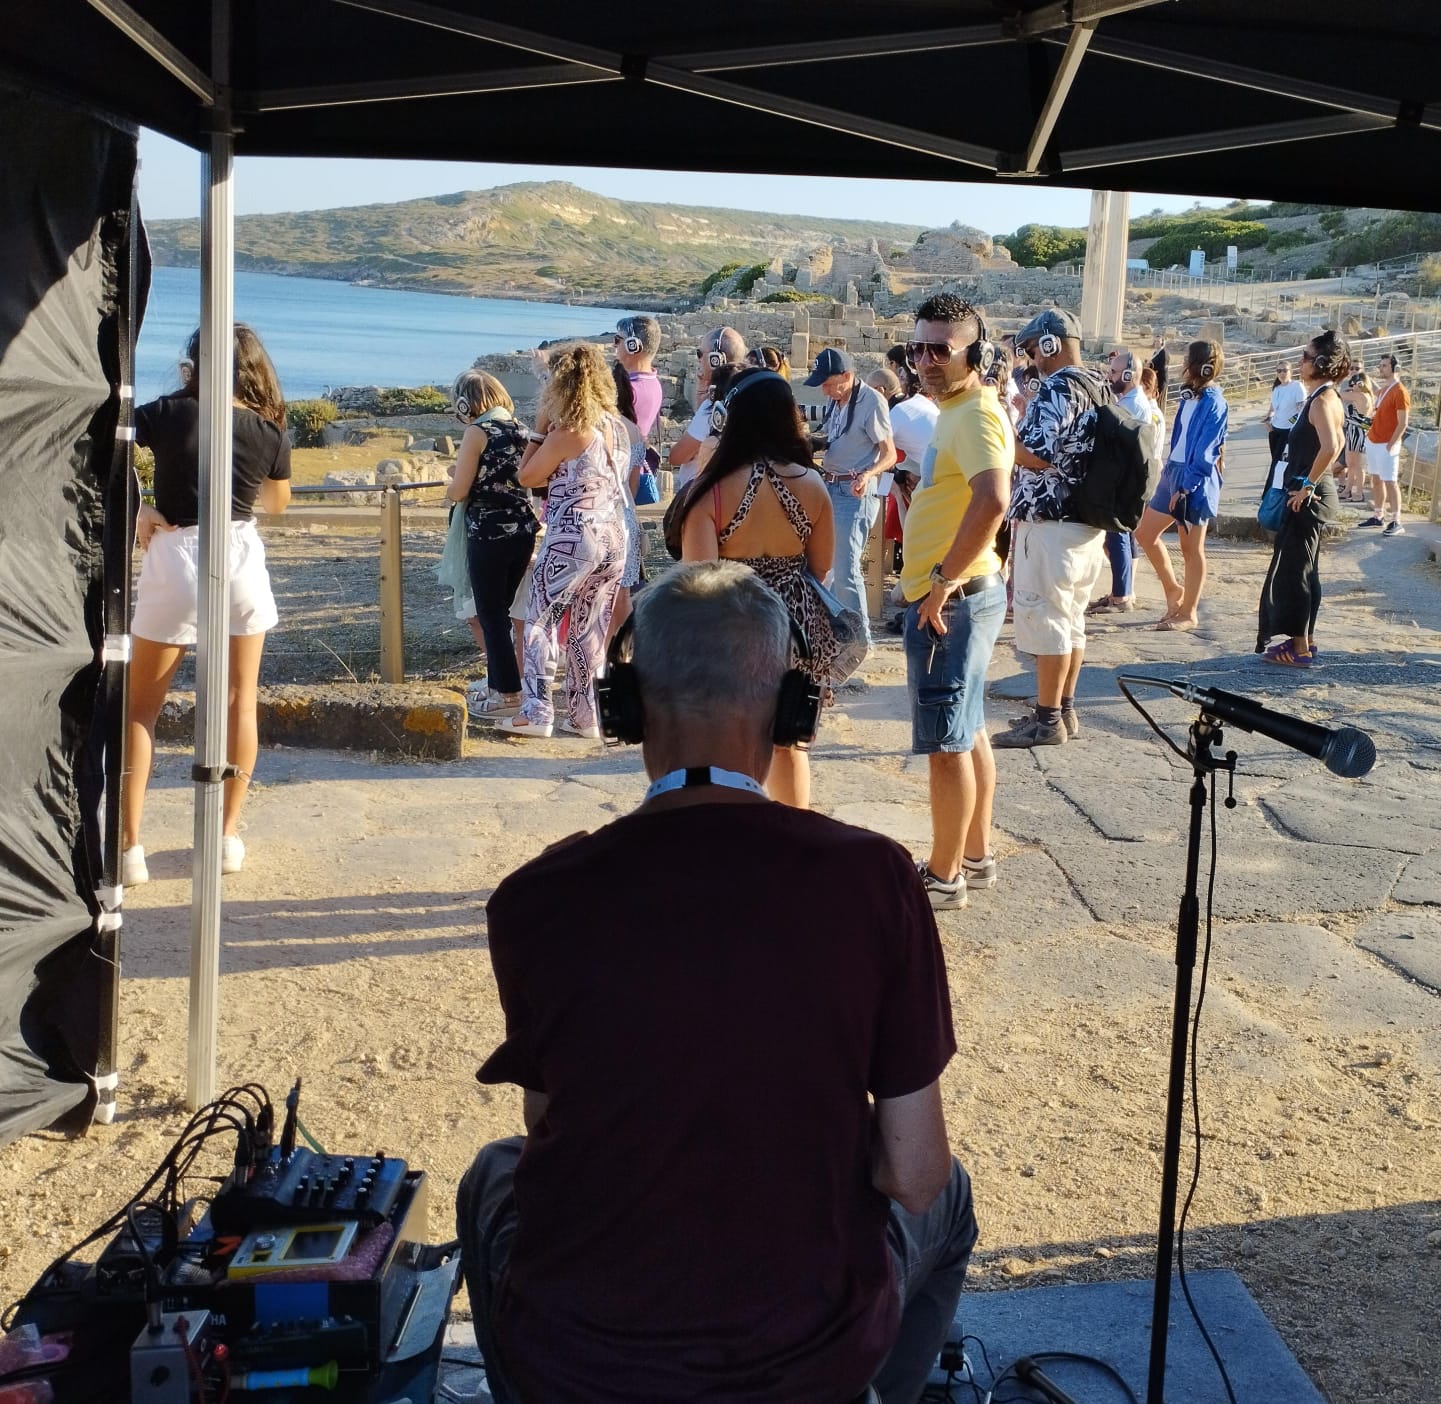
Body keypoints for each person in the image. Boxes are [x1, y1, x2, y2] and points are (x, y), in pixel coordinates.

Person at [458, 561, 976, 1404]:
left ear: (625, 708)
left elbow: (547, 1120)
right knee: (948, 1197)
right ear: (791, 709)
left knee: (491, 1173)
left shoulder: (536, 896)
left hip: (582, 1360)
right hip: (807, 1353)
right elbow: (912, 1174)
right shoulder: (872, 877)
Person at [122, 324, 292, 883]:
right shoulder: (267, 429)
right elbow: (277, 503)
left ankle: (129, 847)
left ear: (196, 361)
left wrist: (140, 505)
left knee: (141, 709)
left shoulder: (166, 412)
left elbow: (100, 441)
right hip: (238, 555)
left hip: (176, 552)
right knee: (240, 703)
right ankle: (224, 838)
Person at [680, 367, 836, 809]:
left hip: (733, 624)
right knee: (790, 743)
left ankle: (741, 834)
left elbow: (700, 577)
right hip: (796, 626)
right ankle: (792, 832)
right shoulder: (812, 483)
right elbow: (821, 567)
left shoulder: (712, 491)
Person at [899, 295, 1011, 909]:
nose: (924, 360)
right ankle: (974, 855)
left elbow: (993, 499)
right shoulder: (958, 409)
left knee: (946, 745)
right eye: (917, 348)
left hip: (953, 599)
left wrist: (942, 580)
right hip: (964, 594)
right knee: (968, 731)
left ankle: (943, 878)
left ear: (976, 353)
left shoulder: (973, 415)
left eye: (940, 349)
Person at [991, 308, 1109, 749]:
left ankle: (1047, 721)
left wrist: (1001, 437)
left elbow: (1038, 454)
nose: (1031, 360)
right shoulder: (1097, 384)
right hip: (1084, 523)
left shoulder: (1059, 386)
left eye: (1031, 349)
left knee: (1047, 619)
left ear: (1050, 344)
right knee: (1071, 619)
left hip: (1051, 522)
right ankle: (1063, 710)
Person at [498, 342, 628, 739]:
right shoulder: (615, 427)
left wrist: (539, 430)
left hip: (573, 536)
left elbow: (526, 476)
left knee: (540, 621)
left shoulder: (568, 434)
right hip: (614, 535)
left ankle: (537, 712)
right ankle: (586, 715)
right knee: (590, 627)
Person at [445, 370, 538, 720]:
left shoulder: (477, 432)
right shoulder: (520, 429)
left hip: (489, 532)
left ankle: (508, 694)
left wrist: (452, 480)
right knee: (502, 611)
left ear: (464, 403)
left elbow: (460, 490)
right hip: (523, 529)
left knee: (491, 615)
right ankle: (502, 684)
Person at [1257, 330, 1349, 666]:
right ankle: (1305, 641)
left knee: (1296, 572)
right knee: (1306, 570)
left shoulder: (1322, 401)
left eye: (1306, 357)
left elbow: (1332, 446)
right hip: (1310, 494)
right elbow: (1337, 447)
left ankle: (1298, 648)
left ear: (1321, 363)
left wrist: (1309, 484)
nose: (1300, 362)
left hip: (1305, 498)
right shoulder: (1327, 397)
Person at [1132, 340, 1228, 632]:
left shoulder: (1214, 402)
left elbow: (1206, 450)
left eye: (1188, 359)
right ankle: (1174, 591)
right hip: (1174, 470)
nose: (1183, 364)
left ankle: (1189, 612)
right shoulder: (1189, 397)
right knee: (1145, 533)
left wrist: (1185, 486)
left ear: (1201, 366)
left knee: (1191, 548)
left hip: (1193, 479)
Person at [806, 346, 896, 653]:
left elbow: (890, 455)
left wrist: (868, 475)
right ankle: (838, 636)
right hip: (830, 486)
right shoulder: (838, 399)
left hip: (853, 492)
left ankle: (860, 643)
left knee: (845, 570)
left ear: (847, 375)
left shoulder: (872, 401)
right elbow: (835, 437)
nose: (825, 390)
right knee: (826, 566)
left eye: (829, 384)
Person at [1088, 348, 1159, 615]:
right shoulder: (1131, 400)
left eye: (1115, 372)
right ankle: (1123, 590)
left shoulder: (1132, 405)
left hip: (1124, 476)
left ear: (1129, 375)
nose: (1110, 376)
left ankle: (1121, 595)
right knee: (1123, 535)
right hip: (1127, 475)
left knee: (1116, 533)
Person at [668, 326, 747, 487]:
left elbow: (677, 457)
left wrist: (703, 409)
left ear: (715, 359)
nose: (698, 359)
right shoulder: (745, 397)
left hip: (704, 491)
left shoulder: (713, 407)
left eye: (700, 354)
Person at [1361, 353, 1411, 536]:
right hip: (1374, 440)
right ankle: (1378, 515)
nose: (1380, 368)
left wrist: (1391, 443)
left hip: (1387, 443)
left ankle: (1396, 520)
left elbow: (1403, 422)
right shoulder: (1382, 391)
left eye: (1384, 365)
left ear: (1395, 368)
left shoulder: (1400, 391)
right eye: (1380, 365)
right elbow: (1374, 414)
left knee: (1390, 481)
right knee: (1376, 480)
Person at [612, 314, 663, 438]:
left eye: (617, 340)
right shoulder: (654, 383)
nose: (614, 345)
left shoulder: (631, 389)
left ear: (633, 345)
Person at [1337, 370, 1374, 503]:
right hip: (1353, 430)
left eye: (1354, 383)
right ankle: (1347, 490)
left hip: (1358, 431)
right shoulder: (1360, 395)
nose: (1352, 386)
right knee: (1351, 463)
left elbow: (1339, 394)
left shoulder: (1361, 396)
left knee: (1358, 465)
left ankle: (1358, 492)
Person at [1264, 360, 1306, 472]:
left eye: (1285, 370)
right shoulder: (1276, 389)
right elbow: (1272, 408)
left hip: (1289, 431)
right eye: (1279, 371)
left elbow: (1302, 410)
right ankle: (1275, 482)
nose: (1282, 373)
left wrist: (1291, 423)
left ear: (1290, 372)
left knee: (1283, 463)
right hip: (1275, 429)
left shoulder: (1297, 386)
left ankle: (1280, 482)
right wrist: (1267, 420)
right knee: (1275, 461)